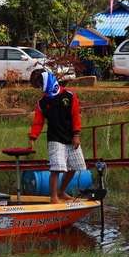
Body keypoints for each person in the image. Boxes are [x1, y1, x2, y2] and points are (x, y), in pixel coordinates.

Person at [28, 71, 87, 204]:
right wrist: (33, 138)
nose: (40, 87)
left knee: (75, 166)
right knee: (56, 167)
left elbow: (75, 116)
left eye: (40, 83)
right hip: (55, 138)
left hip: (71, 136)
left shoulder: (69, 94)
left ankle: (61, 192)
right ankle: (53, 197)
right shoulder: (43, 101)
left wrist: (76, 134)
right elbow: (38, 122)